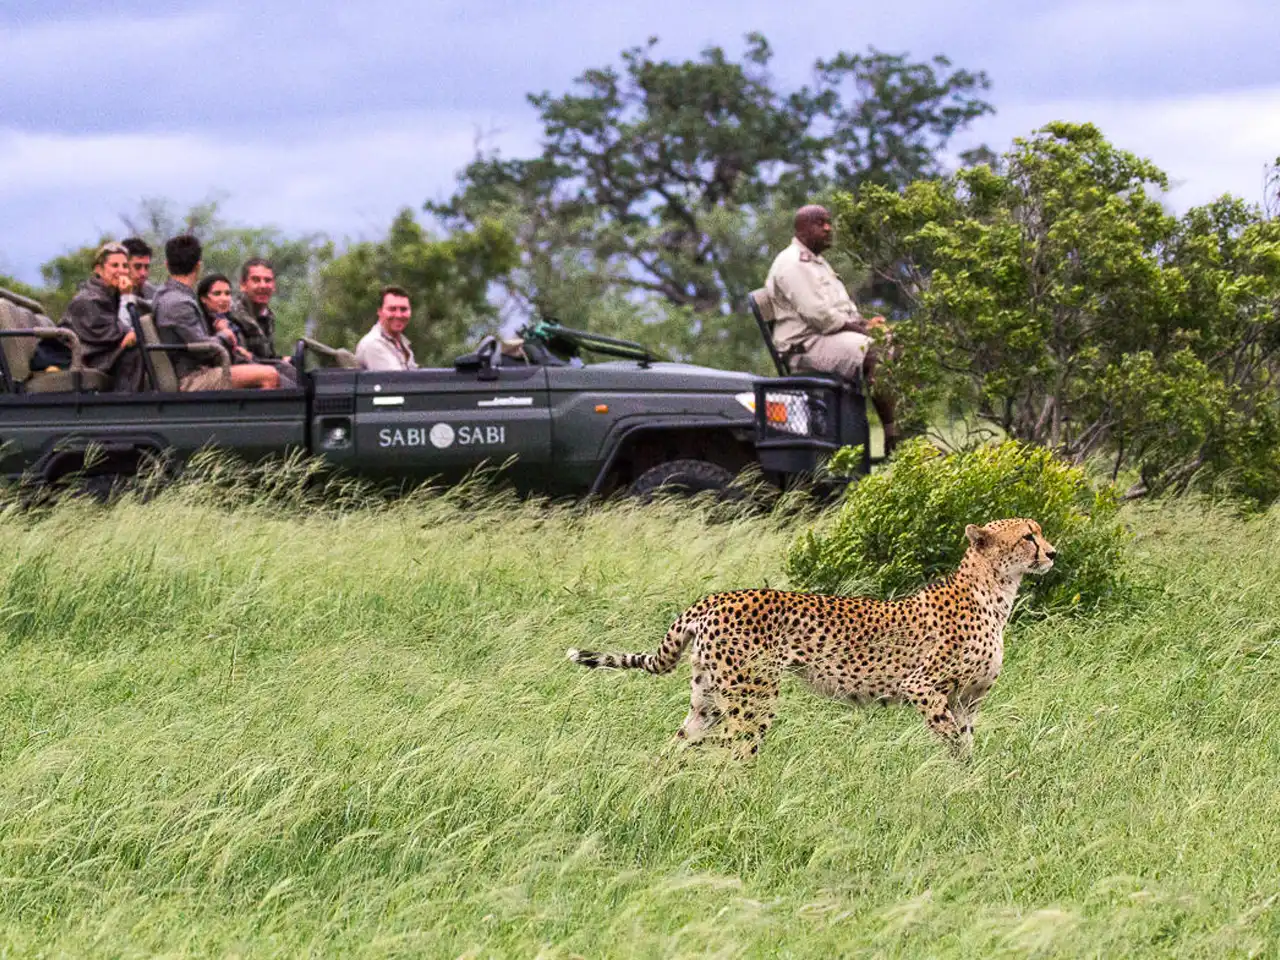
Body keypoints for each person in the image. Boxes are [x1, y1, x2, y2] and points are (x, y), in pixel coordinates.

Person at [764, 204, 898, 452]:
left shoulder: (818, 262)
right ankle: (893, 437)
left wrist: (866, 324)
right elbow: (821, 317)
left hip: (827, 338)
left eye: (829, 222)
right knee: (875, 352)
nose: (828, 228)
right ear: (802, 229)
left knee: (897, 341)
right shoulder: (792, 264)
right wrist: (864, 331)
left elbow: (841, 309)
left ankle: (908, 427)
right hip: (805, 346)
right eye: (820, 223)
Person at [152, 235, 280, 391]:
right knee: (269, 375)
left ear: (167, 265)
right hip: (193, 378)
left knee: (265, 367)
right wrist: (225, 335)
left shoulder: (165, 294)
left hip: (198, 370)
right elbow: (205, 350)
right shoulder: (179, 302)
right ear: (198, 266)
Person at [58, 241, 144, 391]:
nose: (121, 271)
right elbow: (115, 334)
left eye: (125, 266)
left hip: (98, 351)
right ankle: (125, 405)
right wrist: (126, 297)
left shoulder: (110, 293)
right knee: (133, 351)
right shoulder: (88, 299)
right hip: (82, 357)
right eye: (115, 266)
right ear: (99, 269)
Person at [355, 286, 418, 371]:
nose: (399, 315)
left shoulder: (402, 343)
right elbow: (397, 382)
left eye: (403, 309)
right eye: (392, 309)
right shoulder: (373, 344)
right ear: (379, 311)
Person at [121, 237, 158, 301]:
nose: (143, 273)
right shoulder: (106, 295)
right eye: (137, 267)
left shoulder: (153, 294)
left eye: (146, 267)